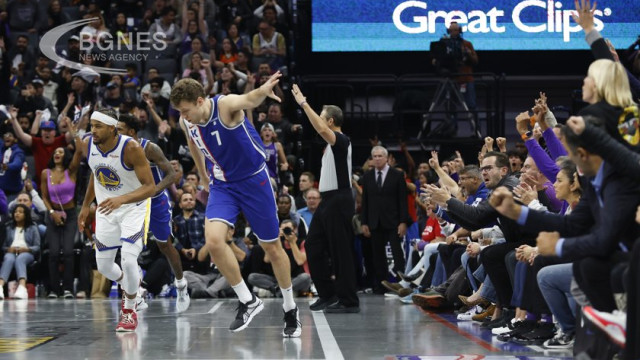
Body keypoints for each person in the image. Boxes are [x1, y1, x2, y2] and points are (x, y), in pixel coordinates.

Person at [169, 72, 301, 337]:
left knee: (272, 247)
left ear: (199, 101)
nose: (183, 116)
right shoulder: (188, 123)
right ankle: (248, 300)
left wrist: (262, 89)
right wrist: (204, 177)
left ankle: (290, 308)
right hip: (222, 185)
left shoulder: (225, 105)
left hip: (254, 181)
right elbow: (194, 145)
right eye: (180, 113)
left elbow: (249, 99)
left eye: (185, 111)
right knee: (215, 241)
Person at [77, 109, 156, 332]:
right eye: (91, 125)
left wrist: (122, 199)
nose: (93, 130)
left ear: (112, 128)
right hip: (106, 209)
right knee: (103, 265)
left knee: (129, 261)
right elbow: (96, 174)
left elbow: (150, 187)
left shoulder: (130, 147)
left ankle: (129, 309)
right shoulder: (89, 144)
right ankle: (132, 287)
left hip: (132, 207)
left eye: (98, 126)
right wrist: (85, 206)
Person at [291, 84, 360, 313]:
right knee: (312, 245)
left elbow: (320, 129)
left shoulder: (342, 141)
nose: (318, 121)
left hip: (339, 200)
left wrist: (303, 103)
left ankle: (349, 301)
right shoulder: (331, 145)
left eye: (322, 118)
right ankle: (328, 294)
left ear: (330, 121)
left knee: (341, 251)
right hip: (327, 200)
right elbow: (320, 129)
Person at [116, 113, 190, 312]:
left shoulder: (150, 148)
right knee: (129, 246)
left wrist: (155, 189)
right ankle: (135, 291)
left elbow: (172, 174)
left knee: (164, 245)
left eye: (120, 129)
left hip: (156, 201)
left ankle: (181, 285)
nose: (115, 133)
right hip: (133, 203)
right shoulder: (117, 150)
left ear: (131, 132)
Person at [360, 145, 408, 294]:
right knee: (377, 255)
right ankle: (380, 285)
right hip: (374, 221)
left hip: (393, 221)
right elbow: (365, 201)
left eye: (380, 156)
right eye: (375, 156)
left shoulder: (397, 175)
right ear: (372, 159)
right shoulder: (367, 177)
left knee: (397, 254)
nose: (377, 159)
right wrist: (364, 222)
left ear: (387, 158)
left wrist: (403, 221)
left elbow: (402, 200)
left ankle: (401, 285)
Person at [41, 146, 82, 299]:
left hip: (70, 215)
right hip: (53, 215)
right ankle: (53, 289)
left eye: (61, 152)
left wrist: (76, 132)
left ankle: (68, 289)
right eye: (55, 152)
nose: (57, 154)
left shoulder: (71, 171)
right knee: (53, 253)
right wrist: (52, 213)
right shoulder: (46, 173)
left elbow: (79, 152)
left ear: (66, 156)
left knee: (69, 252)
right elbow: (44, 196)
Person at [0, 204, 40, 300]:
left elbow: (37, 246)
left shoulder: (33, 227)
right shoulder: (9, 227)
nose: (17, 214)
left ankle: (22, 288)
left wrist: (27, 249)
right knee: (8, 258)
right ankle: (0, 286)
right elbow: (4, 246)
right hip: (12, 251)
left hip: (27, 253)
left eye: (20, 212)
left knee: (20, 259)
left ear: (26, 215)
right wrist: (8, 249)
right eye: (16, 212)